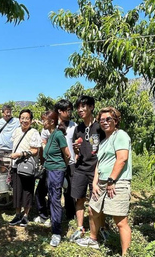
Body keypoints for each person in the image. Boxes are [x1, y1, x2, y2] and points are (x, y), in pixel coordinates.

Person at [76, 107, 132, 257]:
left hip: (117, 182)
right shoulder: (104, 140)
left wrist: (111, 180)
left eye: (109, 119)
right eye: (102, 120)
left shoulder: (120, 135)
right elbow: (99, 164)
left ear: (116, 120)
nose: (105, 122)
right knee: (93, 211)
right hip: (101, 182)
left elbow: (122, 159)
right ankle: (94, 239)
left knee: (120, 221)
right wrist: (94, 183)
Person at [69, 95, 105, 241]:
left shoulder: (100, 127)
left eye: (83, 106)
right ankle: (80, 228)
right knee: (79, 198)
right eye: (78, 107)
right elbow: (77, 152)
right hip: (81, 168)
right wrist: (76, 149)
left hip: (96, 168)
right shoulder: (79, 128)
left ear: (91, 107)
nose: (80, 110)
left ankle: (101, 228)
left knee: (97, 200)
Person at [41, 111, 71, 247]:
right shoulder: (51, 134)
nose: (42, 123)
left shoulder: (58, 134)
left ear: (52, 122)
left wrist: (62, 169)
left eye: (44, 120)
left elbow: (68, 154)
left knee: (55, 200)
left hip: (56, 171)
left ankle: (57, 232)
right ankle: (54, 222)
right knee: (51, 197)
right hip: (49, 170)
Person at [8, 109, 42, 227]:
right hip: (16, 165)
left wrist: (21, 154)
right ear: (19, 119)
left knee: (27, 190)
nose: (24, 120)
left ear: (31, 120)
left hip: (27, 166)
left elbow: (35, 150)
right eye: (22, 118)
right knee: (17, 190)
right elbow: (13, 147)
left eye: (27, 118)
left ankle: (26, 216)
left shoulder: (34, 133)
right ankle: (17, 215)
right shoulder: (16, 131)